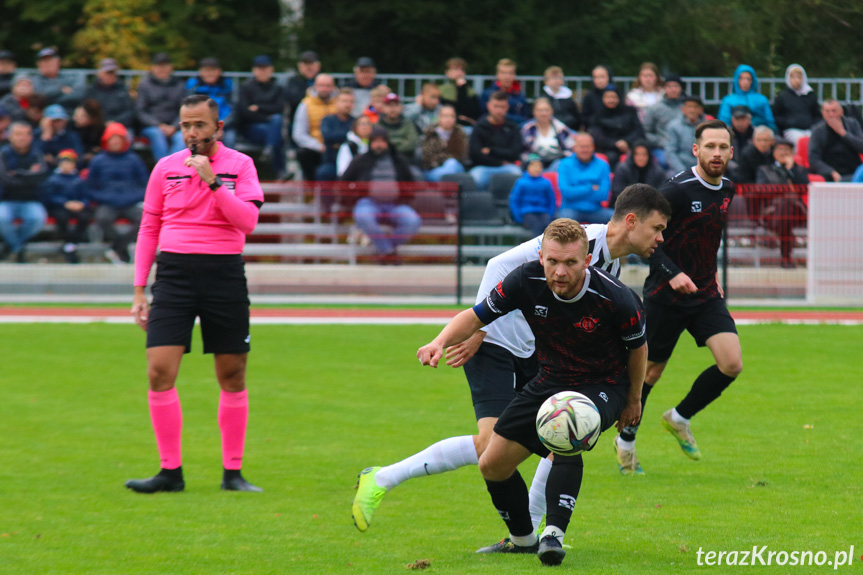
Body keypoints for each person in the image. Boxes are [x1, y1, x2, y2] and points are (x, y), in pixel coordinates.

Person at [352, 185, 670, 539]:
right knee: (492, 444)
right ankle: (382, 478)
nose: (661, 237)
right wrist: (479, 330)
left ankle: (531, 532)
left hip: (537, 350)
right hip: (494, 342)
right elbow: (500, 265)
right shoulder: (578, 242)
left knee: (563, 431)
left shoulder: (608, 261)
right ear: (631, 221)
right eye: (657, 228)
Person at [415, 218, 648, 566]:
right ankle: (523, 540)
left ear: (586, 261)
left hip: (603, 385)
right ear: (541, 256)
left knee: (568, 422)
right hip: (551, 378)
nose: (559, 272)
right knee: (492, 464)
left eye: (570, 263)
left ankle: (553, 534)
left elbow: (638, 349)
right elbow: (477, 316)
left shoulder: (616, 298)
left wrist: (633, 400)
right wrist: (439, 341)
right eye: (552, 261)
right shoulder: (525, 280)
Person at [127, 94, 265, 494]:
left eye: (200, 125)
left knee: (232, 374)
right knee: (159, 371)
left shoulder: (240, 166)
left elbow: (248, 222)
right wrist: (139, 290)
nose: (192, 133)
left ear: (218, 127)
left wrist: (213, 181)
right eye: (186, 125)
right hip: (173, 276)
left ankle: (232, 473)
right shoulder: (165, 168)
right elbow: (148, 227)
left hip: (224, 275)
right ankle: (170, 472)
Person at [615, 119, 742, 476]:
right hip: (664, 295)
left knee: (731, 363)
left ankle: (679, 417)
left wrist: (710, 276)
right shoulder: (676, 191)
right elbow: (640, 240)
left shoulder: (728, 189)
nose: (716, 153)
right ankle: (626, 441)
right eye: (709, 146)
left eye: (722, 147)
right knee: (650, 372)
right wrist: (673, 274)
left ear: (731, 152)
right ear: (695, 150)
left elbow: (708, 238)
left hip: (705, 294)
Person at [340, 126, 421, 263]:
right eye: (375, 141)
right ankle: (388, 252)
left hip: (395, 205)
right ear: (370, 143)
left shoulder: (399, 161)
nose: (379, 144)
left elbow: (410, 183)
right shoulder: (360, 160)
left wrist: (406, 197)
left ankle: (384, 251)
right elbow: (343, 182)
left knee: (413, 220)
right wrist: (351, 198)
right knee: (363, 216)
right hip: (368, 203)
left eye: (382, 141)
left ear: (388, 143)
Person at [87, 122, 148, 264]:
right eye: (112, 139)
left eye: (118, 138)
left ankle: (118, 247)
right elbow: (90, 187)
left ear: (124, 141)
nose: (115, 142)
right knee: (102, 218)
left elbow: (145, 185)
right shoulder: (98, 161)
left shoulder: (134, 160)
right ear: (106, 141)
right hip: (108, 203)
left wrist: (132, 197)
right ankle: (123, 248)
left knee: (145, 220)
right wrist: (105, 198)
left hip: (130, 202)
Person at [755, 137, 808, 268]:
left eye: (787, 150)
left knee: (786, 209)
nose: (784, 152)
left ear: (792, 153)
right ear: (773, 153)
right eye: (780, 149)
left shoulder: (799, 170)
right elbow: (761, 190)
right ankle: (786, 257)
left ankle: (775, 240)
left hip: (797, 212)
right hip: (772, 211)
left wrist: (791, 170)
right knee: (785, 211)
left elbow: (805, 187)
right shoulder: (764, 169)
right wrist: (785, 190)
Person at [0, 121, 49, 262]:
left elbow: (41, 176)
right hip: (6, 200)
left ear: (31, 137)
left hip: (31, 200)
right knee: (1, 219)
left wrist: (18, 174)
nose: (22, 138)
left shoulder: (37, 154)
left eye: (25, 134)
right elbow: (5, 179)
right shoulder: (3, 154)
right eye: (18, 134)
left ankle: (12, 246)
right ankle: (18, 248)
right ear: (10, 136)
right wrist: (28, 175)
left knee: (37, 219)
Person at [237, 55, 287, 178]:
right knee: (276, 129)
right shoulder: (246, 87)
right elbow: (244, 113)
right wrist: (267, 116)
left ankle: (270, 150)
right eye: (259, 68)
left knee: (276, 121)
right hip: (252, 129)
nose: (262, 71)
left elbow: (279, 108)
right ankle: (280, 170)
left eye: (265, 68)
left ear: (271, 70)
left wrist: (258, 108)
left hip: (269, 127)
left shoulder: (277, 88)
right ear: (254, 70)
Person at [40, 149, 91, 263]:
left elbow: (86, 195)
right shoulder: (53, 179)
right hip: (59, 207)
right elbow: (49, 196)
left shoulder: (79, 180)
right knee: (62, 218)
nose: (67, 165)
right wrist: (65, 203)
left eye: (70, 163)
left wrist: (82, 203)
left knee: (84, 217)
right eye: (64, 162)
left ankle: (72, 243)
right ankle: (68, 242)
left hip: (76, 206)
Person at [137, 53, 187, 161]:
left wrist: (174, 126)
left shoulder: (180, 85)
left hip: (175, 127)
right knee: (157, 134)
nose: (162, 69)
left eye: (165, 65)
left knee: (182, 138)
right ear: (153, 68)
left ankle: (172, 169)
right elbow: (140, 111)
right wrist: (158, 125)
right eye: (159, 65)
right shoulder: (145, 85)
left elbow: (185, 110)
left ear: (171, 67)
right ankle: (164, 168)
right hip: (152, 126)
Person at [468, 91, 523, 190]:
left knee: (517, 174)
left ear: (507, 108)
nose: (499, 110)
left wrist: (491, 151)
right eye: (496, 106)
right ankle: (480, 204)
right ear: (488, 106)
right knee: (475, 178)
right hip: (483, 167)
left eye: (502, 107)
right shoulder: (479, 126)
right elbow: (475, 155)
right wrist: (501, 162)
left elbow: (515, 152)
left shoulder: (512, 126)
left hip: (507, 167)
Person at [557, 133, 613, 223]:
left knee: (617, 219)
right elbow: (566, 192)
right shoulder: (564, 164)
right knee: (564, 222)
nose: (585, 150)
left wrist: (576, 190)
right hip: (570, 209)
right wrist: (590, 187)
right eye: (582, 147)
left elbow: (604, 194)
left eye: (588, 146)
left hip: (595, 210)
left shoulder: (603, 165)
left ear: (593, 147)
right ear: (575, 148)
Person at [291, 73, 337, 180]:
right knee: (302, 153)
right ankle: (310, 188)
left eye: (328, 85)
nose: (324, 89)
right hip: (316, 148)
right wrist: (319, 146)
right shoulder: (305, 104)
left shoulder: (340, 102)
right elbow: (298, 134)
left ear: (333, 87)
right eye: (321, 85)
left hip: (336, 147)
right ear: (315, 86)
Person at [808, 99, 863, 182]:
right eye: (827, 111)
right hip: (830, 174)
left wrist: (843, 133)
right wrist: (831, 172)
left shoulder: (853, 124)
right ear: (823, 114)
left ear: (841, 112)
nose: (831, 115)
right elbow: (813, 159)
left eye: (834, 111)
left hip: (854, 172)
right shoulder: (817, 131)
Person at [589, 88, 644, 169]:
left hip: (630, 145)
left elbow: (638, 130)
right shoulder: (598, 114)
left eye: (614, 97)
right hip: (608, 148)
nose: (611, 100)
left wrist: (626, 142)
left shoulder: (630, 111)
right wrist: (615, 144)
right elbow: (597, 136)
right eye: (607, 97)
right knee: (611, 157)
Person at [185, 57, 235, 147]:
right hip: (199, 124)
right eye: (207, 70)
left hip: (223, 126)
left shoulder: (227, 84)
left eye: (213, 70)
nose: (210, 73)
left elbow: (232, 109)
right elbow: (189, 109)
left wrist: (220, 126)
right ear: (201, 72)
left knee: (230, 138)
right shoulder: (193, 85)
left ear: (219, 71)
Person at [772, 64, 820, 148]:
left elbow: (817, 115)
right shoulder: (782, 96)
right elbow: (776, 116)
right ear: (788, 78)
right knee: (800, 141)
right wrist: (789, 122)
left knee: (814, 141)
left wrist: (813, 126)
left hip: (809, 130)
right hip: (791, 130)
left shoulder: (810, 95)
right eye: (793, 77)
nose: (796, 80)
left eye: (799, 77)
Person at [519, 97, 575, 169]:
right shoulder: (527, 129)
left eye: (546, 110)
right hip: (534, 162)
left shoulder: (561, 128)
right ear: (534, 112)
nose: (544, 113)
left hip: (557, 161)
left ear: (552, 111)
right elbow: (522, 151)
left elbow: (570, 149)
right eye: (540, 110)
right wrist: (533, 161)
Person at [642, 73, 685, 168]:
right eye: (669, 86)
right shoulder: (655, 108)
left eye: (676, 86)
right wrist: (660, 141)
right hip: (662, 148)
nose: (673, 89)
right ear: (664, 89)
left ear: (681, 88)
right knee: (664, 162)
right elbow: (646, 132)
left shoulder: (688, 108)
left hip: (685, 148)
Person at [508, 154, 557, 235]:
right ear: (527, 167)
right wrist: (518, 217)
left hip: (543, 212)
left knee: (547, 225)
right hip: (527, 212)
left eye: (539, 166)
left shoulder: (546, 183)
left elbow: (551, 199)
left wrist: (551, 214)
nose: (536, 169)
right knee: (536, 225)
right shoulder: (521, 183)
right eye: (533, 166)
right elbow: (514, 200)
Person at [718, 65, 776, 131]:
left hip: (758, 134)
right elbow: (724, 121)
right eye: (741, 78)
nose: (745, 82)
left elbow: (769, 121)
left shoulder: (761, 99)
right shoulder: (728, 100)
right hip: (734, 133)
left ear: (752, 81)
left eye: (748, 79)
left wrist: (772, 131)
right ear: (736, 80)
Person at [611, 141, 667, 208]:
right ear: (632, 155)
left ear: (649, 156)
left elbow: (662, 193)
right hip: (625, 208)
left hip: (650, 208)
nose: (641, 158)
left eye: (644, 154)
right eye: (637, 154)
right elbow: (617, 192)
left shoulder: (657, 171)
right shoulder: (622, 169)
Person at [83, 58, 134, 131]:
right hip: (96, 127)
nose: (111, 75)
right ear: (100, 73)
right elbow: (87, 110)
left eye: (113, 72)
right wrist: (102, 123)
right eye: (108, 72)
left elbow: (129, 111)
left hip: (118, 126)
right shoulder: (91, 90)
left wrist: (115, 122)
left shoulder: (122, 89)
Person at [316, 88, 355, 181]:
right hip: (332, 162)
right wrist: (348, 137)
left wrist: (338, 142)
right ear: (336, 102)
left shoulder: (355, 122)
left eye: (351, 102)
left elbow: (359, 139)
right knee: (323, 173)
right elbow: (327, 136)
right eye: (344, 101)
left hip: (352, 163)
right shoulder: (328, 120)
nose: (348, 105)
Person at [421, 104, 468, 181]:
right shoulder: (430, 133)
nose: (449, 119)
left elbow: (463, 155)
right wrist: (448, 159)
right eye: (445, 116)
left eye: (452, 116)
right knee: (449, 165)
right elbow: (428, 157)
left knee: (452, 163)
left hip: (456, 167)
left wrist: (444, 158)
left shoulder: (460, 133)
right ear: (439, 117)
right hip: (434, 170)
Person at [30, 47, 85, 113]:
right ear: (38, 64)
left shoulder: (71, 77)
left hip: (70, 114)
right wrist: (61, 90)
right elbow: (40, 97)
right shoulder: (35, 80)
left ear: (58, 62)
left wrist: (51, 97)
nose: (47, 64)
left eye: (50, 60)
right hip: (45, 115)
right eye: (44, 61)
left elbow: (79, 95)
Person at [480, 59, 528, 125]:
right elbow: (483, 117)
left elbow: (525, 117)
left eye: (510, 73)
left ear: (514, 75)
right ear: (498, 74)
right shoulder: (487, 94)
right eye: (503, 73)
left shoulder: (520, 96)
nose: (507, 76)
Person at [666, 96, 707, 174]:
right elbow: (671, 152)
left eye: (695, 107)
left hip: (703, 167)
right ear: (683, 109)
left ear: (701, 110)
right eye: (689, 107)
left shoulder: (707, 127)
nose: (692, 110)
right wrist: (682, 171)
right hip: (681, 167)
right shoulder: (673, 126)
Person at [438, 57, 482, 128]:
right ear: (447, 72)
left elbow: (471, 111)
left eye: (462, 69)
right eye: (455, 69)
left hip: (466, 125)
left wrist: (461, 88)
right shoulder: (441, 90)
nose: (459, 72)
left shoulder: (470, 91)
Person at [377, 93, 419, 164]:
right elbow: (377, 145)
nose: (393, 109)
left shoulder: (408, 123)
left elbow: (412, 143)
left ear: (401, 107)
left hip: (406, 161)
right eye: (389, 106)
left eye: (396, 105)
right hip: (383, 161)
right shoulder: (378, 125)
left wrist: (390, 146)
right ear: (383, 108)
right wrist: (401, 142)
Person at [285, 50, 320, 125]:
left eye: (311, 63)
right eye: (306, 64)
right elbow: (293, 100)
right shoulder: (293, 81)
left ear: (318, 65)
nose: (309, 67)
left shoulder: (323, 80)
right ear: (299, 66)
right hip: (298, 121)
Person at [542, 66, 580, 131]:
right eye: (553, 78)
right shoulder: (543, 99)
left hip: (569, 128)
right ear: (546, 81)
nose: (556, 80)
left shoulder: (568, 98)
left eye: (559, 78)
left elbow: (576, 115)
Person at [71, 99, 105, 168]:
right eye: (76, 115)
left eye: (83, 116)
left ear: (93, 118)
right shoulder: (71, 127)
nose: (76, 118)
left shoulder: (101, 130)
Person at [581, 65, 618, 129]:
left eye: (602, 77)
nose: (599, 80)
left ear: (608, 77)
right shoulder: (589, 96)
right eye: (596, 77)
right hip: (596, 129)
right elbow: (585, 118)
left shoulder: (617, 93)